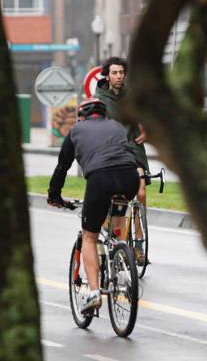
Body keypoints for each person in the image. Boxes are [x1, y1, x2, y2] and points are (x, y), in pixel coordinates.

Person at [48, 98, 139, 313]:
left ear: (81, 117)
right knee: (117, 213)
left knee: (89, 236)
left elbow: (62, 166)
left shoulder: (75, 130)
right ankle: (120, 251)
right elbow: (129, 152)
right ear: (104, 115)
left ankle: (95, 292)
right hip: (129, 177)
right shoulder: (116, 126)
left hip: (101, 179)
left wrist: (55, 195)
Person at [94, 57, 149, 263]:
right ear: (107, 75)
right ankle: (117, 237)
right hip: (112, 150)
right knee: (117, 199)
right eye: (115, 73)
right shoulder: (99, 98)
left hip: (134, 149)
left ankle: (138, 242)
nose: (119, 76)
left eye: (121, 73)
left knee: (141, 193)